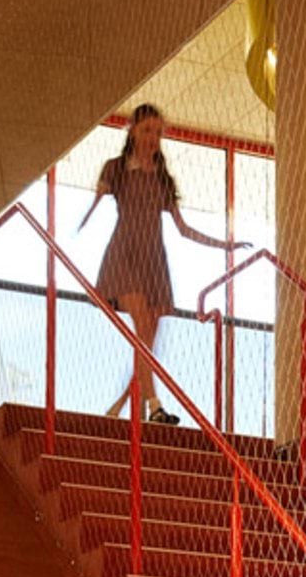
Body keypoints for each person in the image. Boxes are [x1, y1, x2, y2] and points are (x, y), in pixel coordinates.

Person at [78, 103, 245, 425]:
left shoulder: (164, 179)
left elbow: (183, 229)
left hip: (154, 262)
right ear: (132, 131)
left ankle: (118, 407)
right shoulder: (115, 168)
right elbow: (94, 204)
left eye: (158, 132)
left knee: (146, 343)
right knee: (142, 329)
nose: (153, 138)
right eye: (146, 131)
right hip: (124, 256)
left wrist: (225, 245)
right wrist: (74, 228)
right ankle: (155, 406)